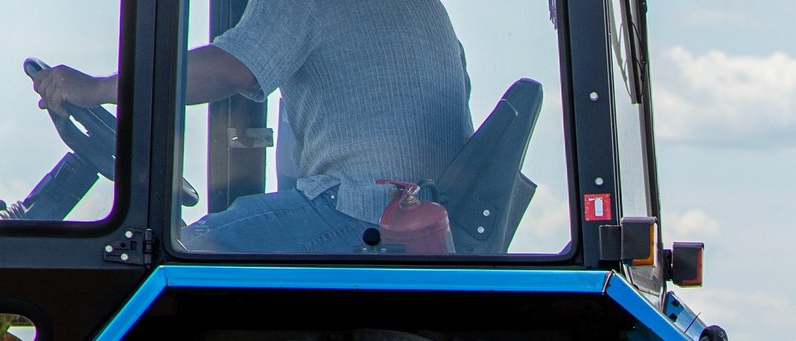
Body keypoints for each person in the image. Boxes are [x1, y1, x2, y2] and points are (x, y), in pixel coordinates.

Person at [32, 0, 471, 255]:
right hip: (418, 218)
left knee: (173, 258)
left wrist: (103, 88)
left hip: (360, 212)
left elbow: (233, 68)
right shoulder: (424, 7)